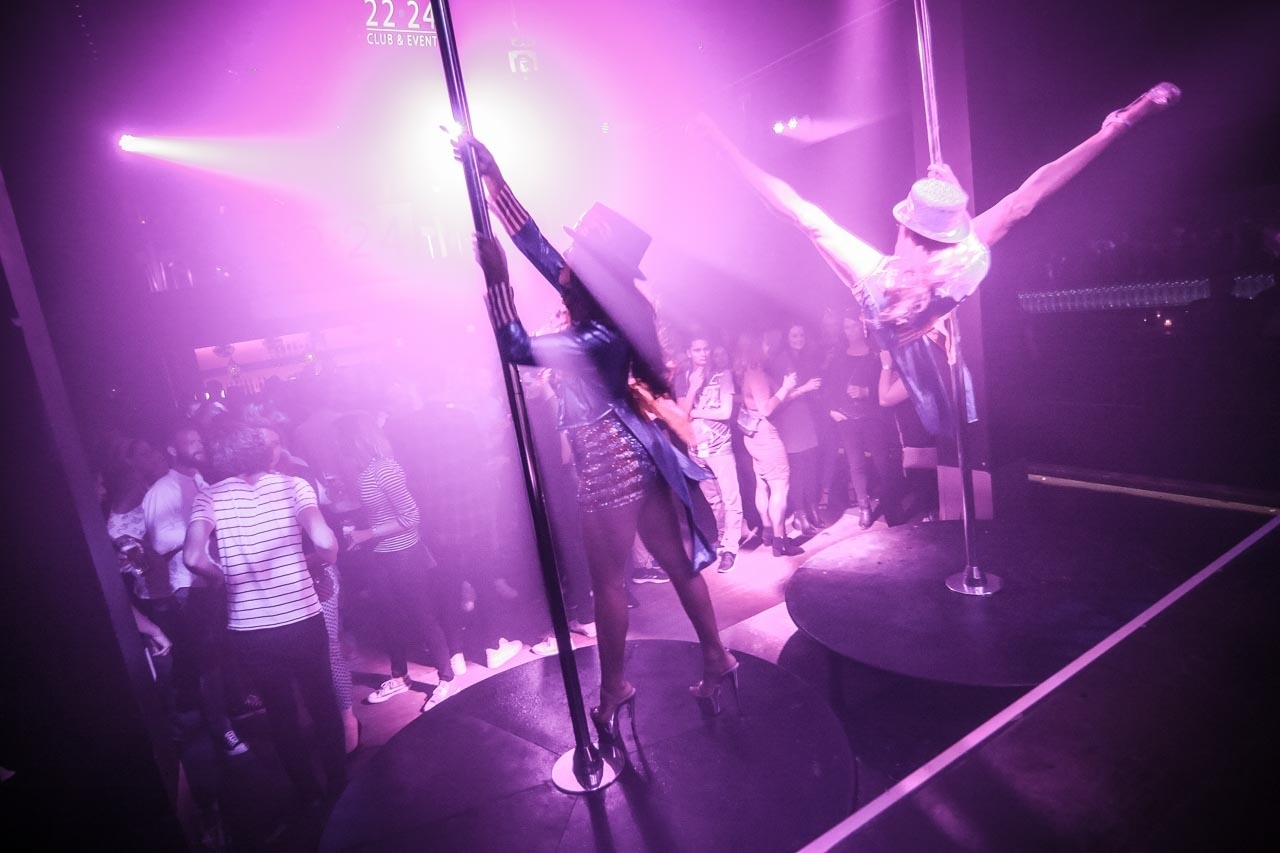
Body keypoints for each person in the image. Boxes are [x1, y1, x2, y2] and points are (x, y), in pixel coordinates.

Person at [695, 82, 1181, 438]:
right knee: (808, 220)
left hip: (926, 326)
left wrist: (1116, 129)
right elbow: (798, 211)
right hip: (896, 313)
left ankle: (1116, 125)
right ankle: (1114, 127)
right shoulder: (893, 269)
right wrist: (724, 147)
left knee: (1016, 208)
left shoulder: (961, 256)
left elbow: (1027, 197)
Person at [459, 133, 741, 746]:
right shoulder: (598, 306)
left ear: (591, 274)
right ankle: (717, 657)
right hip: (640, 450)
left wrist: (498, 281)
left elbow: (515, 347)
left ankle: (615, 688)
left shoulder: (596, 336)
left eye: (576, 255)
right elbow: (536, 242)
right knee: (675, 564)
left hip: (610, 460)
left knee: (607, 583)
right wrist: (493, 177)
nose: (563, 260)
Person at [183, 418, 346, 814]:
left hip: (250, 628)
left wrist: (221, 577)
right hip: (301, 616)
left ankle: (308, 795)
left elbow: (192, 557)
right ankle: (341, 790)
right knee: (322, 703)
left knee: (280, 712)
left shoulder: (209, 497)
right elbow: (325, 542)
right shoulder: (293, 486)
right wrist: (313, 561)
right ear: (260, 449)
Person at [333, 410, 457, 713]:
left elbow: (411, 516)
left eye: (340, 441)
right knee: (387, 617)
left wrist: (367, 533)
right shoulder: (363, 471)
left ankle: (446, 678)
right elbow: (379, 510)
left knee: (422, 615)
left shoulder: (384, 469)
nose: (337, 447)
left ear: (354, 441)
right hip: (379, 554)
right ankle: (400, 677)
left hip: (403, 554)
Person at [673, 334, 746, 573]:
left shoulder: (722, 375)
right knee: (714, 501)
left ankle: (730, 548)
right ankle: (724, 538)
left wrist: (696, 412)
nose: (703, 353)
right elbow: (681, 413)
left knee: (730, 499)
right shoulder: (683, 379)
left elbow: (725, 413)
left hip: (720, 448)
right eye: (697, 350)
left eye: (706, 349)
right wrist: (693, 388)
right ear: (689, 352)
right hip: (696, 450)